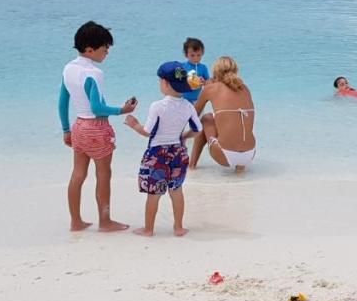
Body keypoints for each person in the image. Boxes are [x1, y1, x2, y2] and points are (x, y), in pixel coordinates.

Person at [58, 21, 137, 232]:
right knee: (103, 174)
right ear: (90, 50)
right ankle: (105, 221)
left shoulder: (68, 69)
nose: (107, 53)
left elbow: (62, 102)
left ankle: (76, 221)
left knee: (77, 174)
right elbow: (97, 107)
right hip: (97, 128)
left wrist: (66, 130)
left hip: (78, 127)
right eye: (105, 49)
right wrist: (122, 110)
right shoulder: (94, 73)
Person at [123, 61, 202, 237]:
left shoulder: (157, 106)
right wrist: (183, 137)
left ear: (165, 83)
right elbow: (198, 130)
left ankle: (148, 229)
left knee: (154, 194)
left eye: (160, 81)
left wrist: (134, 124)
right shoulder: (189, 106)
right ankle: (179, 227)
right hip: (178, 153)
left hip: (157, 155)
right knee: (177, 191)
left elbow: (147, 132)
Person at [190, 56, 257, 172]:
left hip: (224, 154)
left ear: (215, 72)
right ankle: (240, 170)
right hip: (250, 153)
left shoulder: (211, 89)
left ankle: (191, 166)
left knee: (206, 118)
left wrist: (205, 89)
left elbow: (193, 115)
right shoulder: (245, 88)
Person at [180, 37, 210, 104]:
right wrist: (187, 80)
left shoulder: (203, 68)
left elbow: (208, 82)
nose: (196, 58)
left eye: (198, 55)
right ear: (186, 55)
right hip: (183, 100)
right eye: (192, 55)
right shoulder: (182, 67)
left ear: (202, 53)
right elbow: (177, 80)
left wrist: (203, 82)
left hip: (197, 100)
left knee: (198, 114)